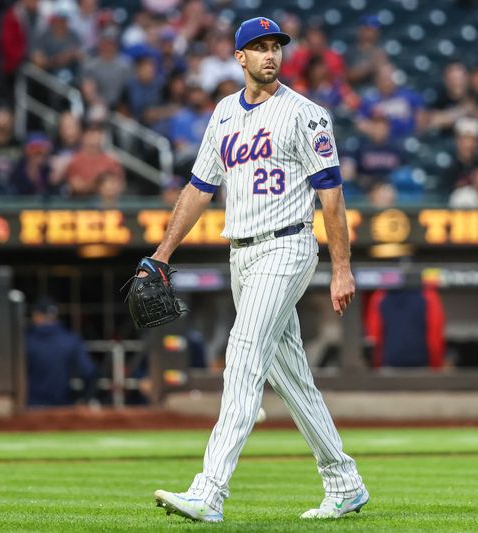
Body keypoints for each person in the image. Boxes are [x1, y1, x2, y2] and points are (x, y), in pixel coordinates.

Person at [151, 17, 367, 523]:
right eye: (259, 47)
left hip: (288, 246)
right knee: (290, 378)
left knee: (244, 354)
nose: (270, 55)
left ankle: (210, 491)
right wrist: (163, 252)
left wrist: (342, 268)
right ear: (239, 58)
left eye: (276, 47)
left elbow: (332, 197)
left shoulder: (306, 115)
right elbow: (199, 188)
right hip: (241, 253)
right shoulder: (225, 113)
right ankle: (345, 481)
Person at [25, 297, 97, 407]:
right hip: (62, 408)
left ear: (37, 315)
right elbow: (90, 373)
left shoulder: (25, 341)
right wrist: (84, 400)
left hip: (31, 407)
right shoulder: (71, 340)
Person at [365, 287, 445, 369]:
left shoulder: (379, 295)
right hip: (421, 365)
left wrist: (376, 367)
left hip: (390, 365)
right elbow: (435, 338)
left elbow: (373, 337)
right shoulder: (430, 295)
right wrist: (436, 366)